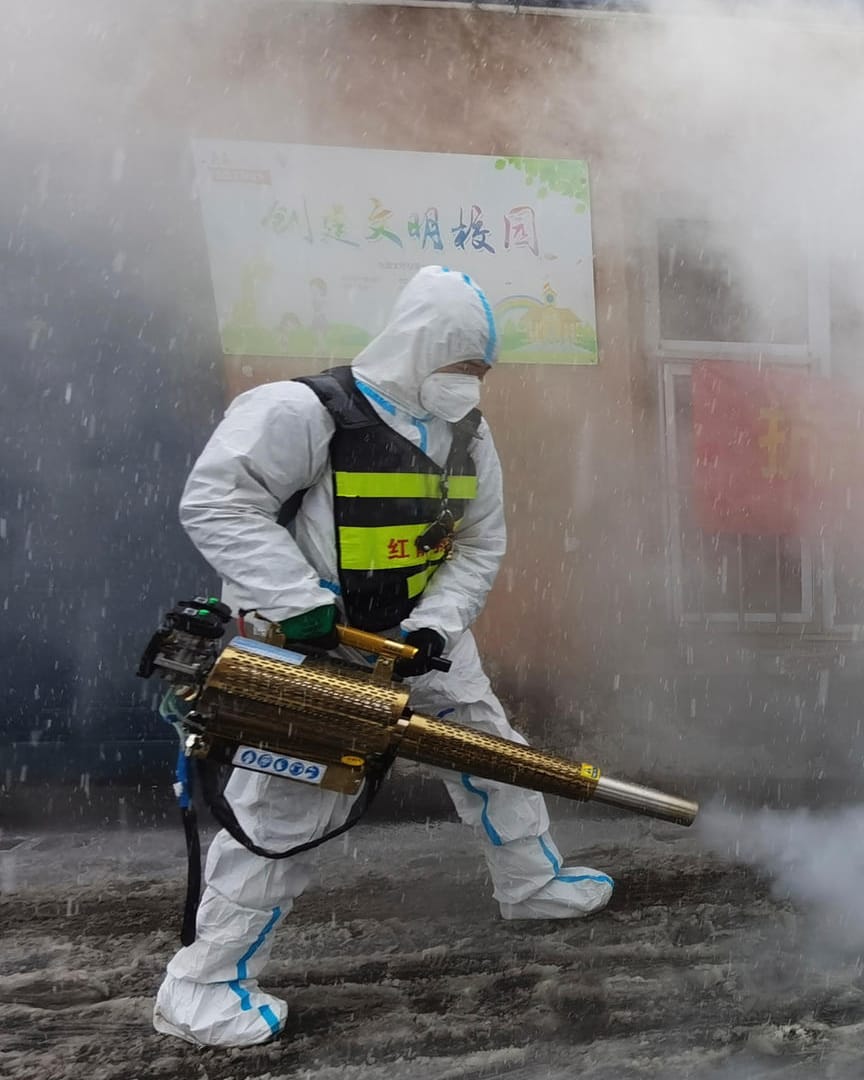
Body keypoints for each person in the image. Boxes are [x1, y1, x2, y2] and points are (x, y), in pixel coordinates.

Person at [153, 266, 612, 1047]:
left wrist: (435, 625)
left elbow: (476, 542)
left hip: (416, 643)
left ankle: (531, 883)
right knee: (285, 814)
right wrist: (299, 603)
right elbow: (218, 501)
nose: (468, 384)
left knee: (493, 752)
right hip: (315, 650)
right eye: (457, 365)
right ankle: (200, 987)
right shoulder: (306, 412)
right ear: (414, 346)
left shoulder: (468, 434)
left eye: (479, 370)